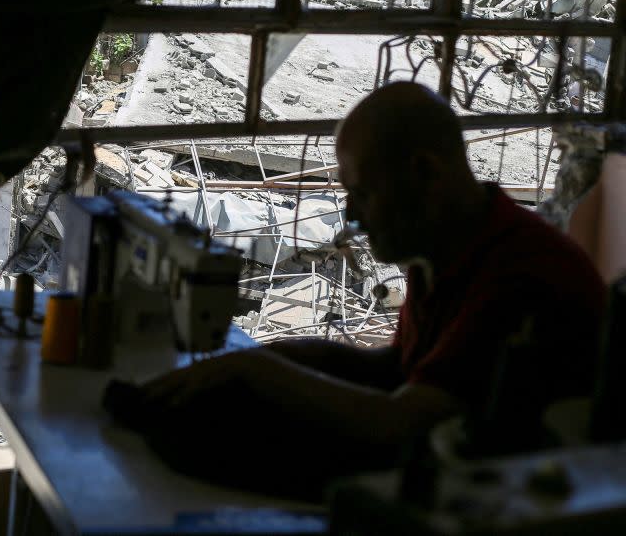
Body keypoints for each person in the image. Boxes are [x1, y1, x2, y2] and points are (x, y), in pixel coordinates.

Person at [133, 82, 606, 495]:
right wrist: (279, 358)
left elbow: (401, 422)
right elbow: (403, 368)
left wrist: (262, 372)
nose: (353, 215)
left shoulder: (521, 270)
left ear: (426, 173)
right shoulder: (443, 247)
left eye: (364, 192)